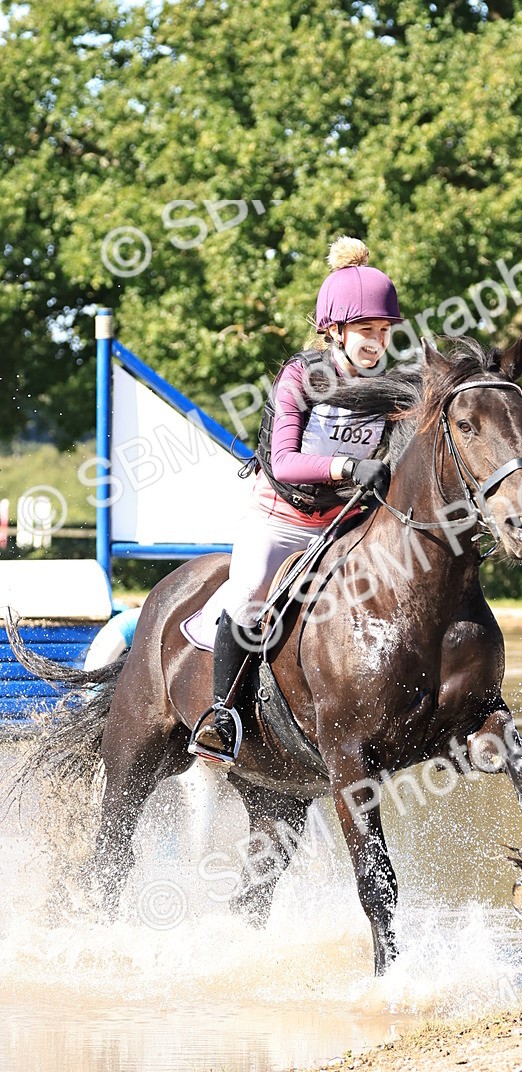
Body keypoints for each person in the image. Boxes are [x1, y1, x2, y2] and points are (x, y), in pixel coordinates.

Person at [189, 237, 402, 763]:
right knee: (249, 592)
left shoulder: (392, 388)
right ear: (335, 330)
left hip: (343, 527)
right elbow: (283, 461)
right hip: (280, 521)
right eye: (366, 331)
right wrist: (349, 467)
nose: (376, 342)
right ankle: (224, 717)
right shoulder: (302, 377)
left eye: (384, 331)